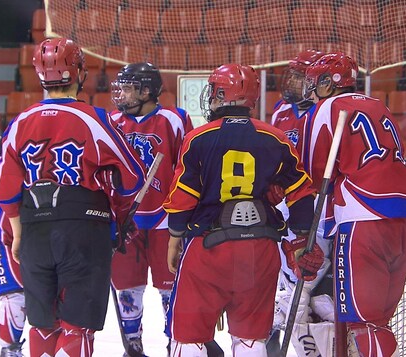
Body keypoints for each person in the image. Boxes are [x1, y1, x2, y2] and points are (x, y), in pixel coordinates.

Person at [0, 37, 145, 357]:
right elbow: (132, 179)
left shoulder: (20, 122)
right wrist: (116, 213)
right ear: (80, 72)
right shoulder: (94, 119)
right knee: (77, 326)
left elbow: (3, 191)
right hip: (83, 229)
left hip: (34, 230)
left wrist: (18, 234)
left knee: (43, 324)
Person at [162, 63, 324, 356]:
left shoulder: (198, 138)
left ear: (222, 94)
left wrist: (174, 236)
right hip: (260, 250)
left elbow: (184, 194)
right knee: (251, 339)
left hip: (209, 249)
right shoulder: (276, 138)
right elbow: (301, 192)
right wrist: (302, 238)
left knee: (189, 338)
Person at [302, 52, 406, 356]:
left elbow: (314, 173)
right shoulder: (380, 106)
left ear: (329, 83)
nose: (312, 89)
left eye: (316, 82)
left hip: (363, 218)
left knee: (364, 323)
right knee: (378, 322)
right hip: (405, 215)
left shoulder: (327, 108)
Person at [109, 62, 194, 356]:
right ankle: (132, 342)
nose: (121, 95)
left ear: (147, 91)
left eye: (129, 88)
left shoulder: (175, 119)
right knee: (127, 286)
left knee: (170, 286)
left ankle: (175, 339)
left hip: (164, 220)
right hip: (125, 221)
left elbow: (188, 168)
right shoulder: (112, 121)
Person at [268, 49, 337, 357]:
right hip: (287, 207)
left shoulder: (328, 110)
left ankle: (316, 345)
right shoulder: (280, 111)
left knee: (313, 288)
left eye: (299, 75)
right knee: (289, 281)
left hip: (321, 208)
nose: (293, 81)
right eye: (292, 75)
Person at [0, 190, 27, 357]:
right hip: (4, 214)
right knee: (15, 294)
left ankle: (11, 348)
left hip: (33, 212)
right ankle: (9, 349)